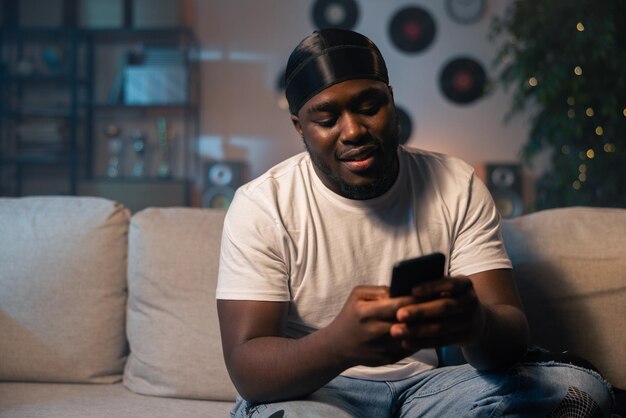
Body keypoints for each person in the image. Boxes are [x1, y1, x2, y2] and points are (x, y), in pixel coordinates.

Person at [216, 29, 614, 417]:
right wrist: (339, 345)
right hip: (317, 392)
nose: (354, 130)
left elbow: (508, 336)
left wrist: (475, 323)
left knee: (580, 393)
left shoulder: (455, 184)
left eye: (369, 106)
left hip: (428, 390)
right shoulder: (262, 206)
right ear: (300, 128)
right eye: (327, 118)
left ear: (391, 100)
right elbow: (247, 368)